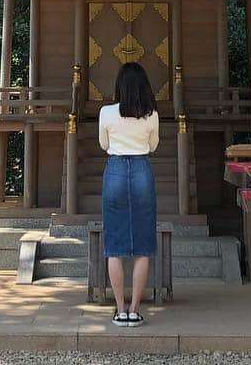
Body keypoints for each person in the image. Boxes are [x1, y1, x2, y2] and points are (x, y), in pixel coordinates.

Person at [98, 61, 160, 326]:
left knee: (114, 245)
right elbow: (153, 145)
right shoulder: (152, 115)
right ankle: (135, 309)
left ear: (119, 87)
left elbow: (104, 144)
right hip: (141, 169)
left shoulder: (106, 112)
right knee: (142, 245)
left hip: (115, 169)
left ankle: (119, 308)